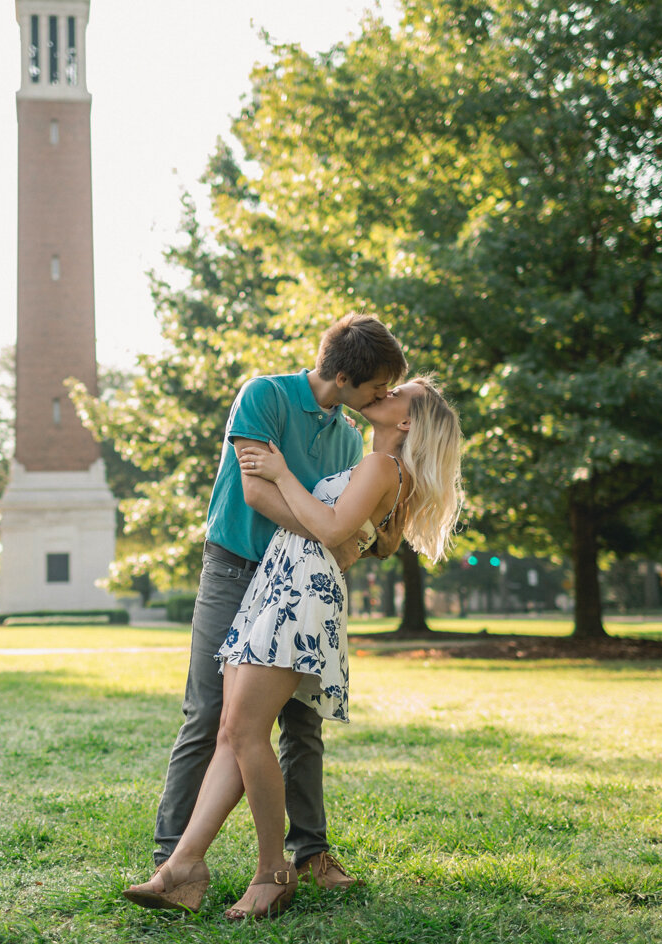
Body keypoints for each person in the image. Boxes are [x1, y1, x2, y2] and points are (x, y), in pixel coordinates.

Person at [126, 375, 463, 920]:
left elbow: (330, 530)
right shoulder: (375, 465)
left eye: (398, 392)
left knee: (245, 732)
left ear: (406, 423)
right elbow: (354, 537)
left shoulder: (381, 466)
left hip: (299, 593)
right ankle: (182, 867)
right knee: (232, 732)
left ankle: (272, 872)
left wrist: (282, 472)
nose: (386, 391)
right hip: (279, 585)